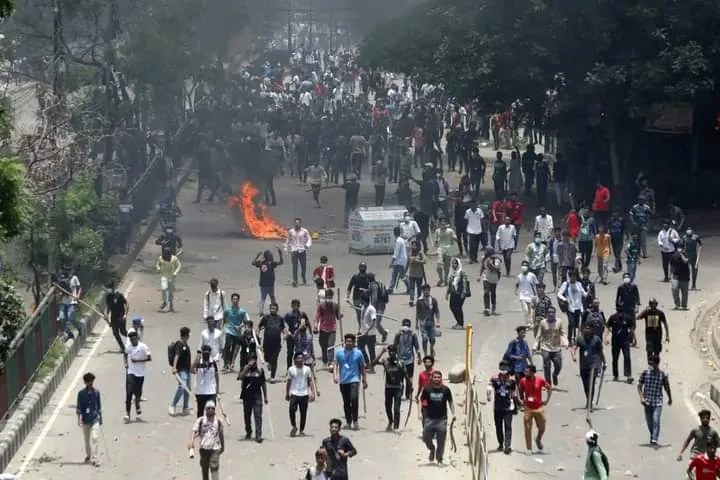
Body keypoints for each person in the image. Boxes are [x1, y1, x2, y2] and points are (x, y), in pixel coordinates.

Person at [420, 370, 455, 465]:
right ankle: (432, 449)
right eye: (434, 377)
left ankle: (439, 459)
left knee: (441, 441)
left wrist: (454, 413)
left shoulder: (446, 390)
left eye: (438, 377)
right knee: (426, 437)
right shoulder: (427, 389)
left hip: (442, 419)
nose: (436, 379)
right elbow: (422, 400)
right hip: (429, 418)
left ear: (441, 378)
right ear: (432, 378)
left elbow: (450, 402)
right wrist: (421, 412)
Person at [373, 345, 411, 431]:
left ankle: (396, 426)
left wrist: (410, 386)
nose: (392, 353)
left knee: (396, 408)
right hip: (388, 387)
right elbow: (373, 363)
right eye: (390, 351)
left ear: (396, 352)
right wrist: (382, 352)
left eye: (393, 351)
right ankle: (390, 421)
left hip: (398, 388)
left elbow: (406, 375)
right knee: (388, 406)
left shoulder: (401, 362)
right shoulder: (385, 361)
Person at [637, 354, 672, 448]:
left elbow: (667, 387)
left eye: (653, 364)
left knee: (656, 420)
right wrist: (641, 397)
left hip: (657, 402)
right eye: (650, 363)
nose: (651, 366)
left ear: (657, 364)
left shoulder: (662, 375)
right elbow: (639, 385)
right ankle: (653, 435)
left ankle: (654, 440)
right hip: (647, 402)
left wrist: (670, 398)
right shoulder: (645, 373)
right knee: (650, 422)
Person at [334, 334, 367, 430]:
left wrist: (364, 380)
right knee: (346, 402)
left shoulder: (358, 353)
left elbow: (362, 367)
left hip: (354, 380)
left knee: (354, 399)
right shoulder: (339, 353)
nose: (348, 343)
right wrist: (335, 376)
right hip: (343, 381)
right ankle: (348, 422)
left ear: (354, 343)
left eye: (350, 341)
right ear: (344, 342)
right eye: (347, 341)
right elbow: (335, 364)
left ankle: (355, 421)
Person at [187, 401, 225, 480]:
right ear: (205, 409)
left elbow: (221, 435)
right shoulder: (201, 420)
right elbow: (194, 430)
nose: (210, 410)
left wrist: (223, 446)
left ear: (215, 410)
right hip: (204, 449)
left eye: (212, 408)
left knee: (214, 468)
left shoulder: (218, 421)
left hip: (215, 448)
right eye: (208, 408)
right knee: (204, 468)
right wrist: (191, 441)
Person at [518, 365, 551, 453]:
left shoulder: (539, 380)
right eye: (525, 372)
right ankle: (529, 448)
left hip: (539, 408)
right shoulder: (523, 381)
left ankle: (538, 439)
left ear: (533, 373)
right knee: (528, 429)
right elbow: (520, 390)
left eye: (527, 372)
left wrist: (547, 400)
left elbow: (549, 387)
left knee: (542, 427)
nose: (525, 374)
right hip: (528, 408)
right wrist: (520, 400)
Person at [572, 322, 605, 410]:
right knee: (586, 385)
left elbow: (601, 352)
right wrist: (574, 355)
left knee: (591, 384)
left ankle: (590, 402)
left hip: (594, 365)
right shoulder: (580, 339)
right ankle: (588, 399)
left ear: (592, 330)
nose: (587, 330)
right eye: (585, 328)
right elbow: (574, 348)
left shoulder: (597, 339)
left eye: (588, 328)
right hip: (583, 365)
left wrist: (604, 362)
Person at [487, 360, 517, 454]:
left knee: (508, 426)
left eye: (505, 367)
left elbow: (514, 392)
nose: (504, 370)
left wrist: (516, 405)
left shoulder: (512, 380)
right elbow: (489, 386)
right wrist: (488, 394)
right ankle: (500, 443)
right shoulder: (495, 378)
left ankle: (507, 446)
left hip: (508, 407)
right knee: (498, 426)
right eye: (502, 367)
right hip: (498, 407)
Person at [238, 352, 269, 442]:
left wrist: (266, 396)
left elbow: (263, 383)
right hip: (247, 396)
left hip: (257, 395)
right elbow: (240, 377)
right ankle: (248, 431)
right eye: (250, 360)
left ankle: (258, 435)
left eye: (254, 360)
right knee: (247, 415)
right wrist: (247, 367)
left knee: (258, 415)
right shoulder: (244, 369)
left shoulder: (260, 370)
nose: (252, 362)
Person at [123, 328, 151, 422]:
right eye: (131, 340)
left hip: (140, 374)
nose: (132, 341)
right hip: (131, 372)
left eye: (134, 339)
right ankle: (127, 414)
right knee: (129, 393)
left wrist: (138, 361)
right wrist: (126, 363)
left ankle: (137, 404)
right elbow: (125, 354)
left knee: (138, 393)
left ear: (137, 338)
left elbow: (149, 358)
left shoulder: (143, 347)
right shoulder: (129, 347)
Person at [287, 352, 317, 437]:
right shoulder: (291, 369)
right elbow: (289, 382)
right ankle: (294, 426)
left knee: (303, 413)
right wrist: (287, 393)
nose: (300, 359)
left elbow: (310, 381)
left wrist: (313, 392)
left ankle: (301, 430)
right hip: (294, 393)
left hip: (304, 393)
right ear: (295, 359)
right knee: (292, 410)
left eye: (301, 358)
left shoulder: (307, 369)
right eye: (298, 358)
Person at [533, 306, 566, 386]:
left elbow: (563, 333)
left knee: (558, 365)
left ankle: (555, 375)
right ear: (547, 314)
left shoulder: (559, 322)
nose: (551, 314)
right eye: (549, 312)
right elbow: (538, 335)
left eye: (552, 312)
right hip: (545, 347)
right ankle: (548, 383)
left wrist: (565, 341)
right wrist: (535, 346)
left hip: (556, 348)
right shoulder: (543, 322)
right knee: (547, 366)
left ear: (555, 313)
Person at [76, 372, 102, 466]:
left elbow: (99, 406)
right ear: (85, 382)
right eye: (88, 382)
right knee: (86, 440)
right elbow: (79, 407)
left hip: (94, 418)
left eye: (91, 382)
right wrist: (79, 419)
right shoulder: (81, 394)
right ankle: (88, 455)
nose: (90, 384)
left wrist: (100, 418)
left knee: (95, 437)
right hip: (85, 419)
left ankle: (95, 458)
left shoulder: (96, 392)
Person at [604, 306, 634, 383]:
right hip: (615, 341)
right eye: (618, 311)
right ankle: (615, 375)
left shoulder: (627, 318)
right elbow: (607, 326)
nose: (620, 313)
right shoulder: (613, 317)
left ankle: (628, 375)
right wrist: (606, 337)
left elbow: (631, 328)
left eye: (621, 312)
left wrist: (633, 338)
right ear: (617, 311)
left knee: (627, 357)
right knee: (615, 358)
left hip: (625, 341)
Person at [394, 318, 421, 400]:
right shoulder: (398, 334)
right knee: (400, 378)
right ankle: (400, 394)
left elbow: (417, 347)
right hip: (400, 359)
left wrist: (419, 358)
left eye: (407, 325)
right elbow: (394, 346)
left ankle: (408, 394)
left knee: (409, 378)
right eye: (404, 325)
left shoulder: (413, 335)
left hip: (410, 359)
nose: (406, 327)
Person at [252, 248, 284, 316]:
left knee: (263, 297)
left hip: (263, 284)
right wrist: (280, 254)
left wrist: (257, 256)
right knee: (272, 297)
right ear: (268, 256)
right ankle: (275, 309)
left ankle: (261, 311)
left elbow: (253, 263)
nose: (272, 256)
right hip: (270, 284)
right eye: (271, 255)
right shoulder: (271, 263)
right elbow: (281, 262)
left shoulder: (261, 263)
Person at [636, 298, 669, 362]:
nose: (652, 306)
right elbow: (637, 317)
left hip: (658, 335)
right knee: (649, 350)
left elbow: (665, 324)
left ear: (656, 305)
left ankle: (656, 365)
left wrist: (667, 335)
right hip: (649, 335)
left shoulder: (660, 313)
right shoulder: (647, 312)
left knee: (657, 351)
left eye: (654, 304)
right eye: (651, 304)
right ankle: (650, 364)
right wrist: (644, 310)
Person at [258, 303, 285, 380]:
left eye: (275, 309)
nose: (273, 310)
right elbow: (259, 326)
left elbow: (283, 328)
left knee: (275, 359)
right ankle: (269, 363)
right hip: (267, 342)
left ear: (277, 309)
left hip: (277, 343)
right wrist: (258, 335)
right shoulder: (266, 318)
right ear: (270, 309)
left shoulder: (280, 318)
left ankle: (272, 377)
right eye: (272, 308)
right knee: (267, 358)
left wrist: (285, 334)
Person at [170, 326, 192, 416]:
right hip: (182, 370)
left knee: (188, 389)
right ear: (186, 335)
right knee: (182, 387)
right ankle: (173, 405)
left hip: (187, 370)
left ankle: (185, 408)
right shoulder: (180, 344)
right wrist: (174, 367)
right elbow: (177, 355)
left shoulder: (185, 345)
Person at [315, 290, 341, 368]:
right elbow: (317, 316)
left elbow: (338, 317)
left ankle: (330, 362)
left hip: (332, 328)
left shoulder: (335, 305)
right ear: (325, 296)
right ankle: (325, 360)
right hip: (323, 328)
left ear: (332, 297)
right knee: (323, 345)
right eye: (327, 296)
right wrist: (315, 326)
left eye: (330, 296)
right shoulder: (321, 305)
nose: (329, 298)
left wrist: (340, 314)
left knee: (330, 345)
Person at [222, 293, 247, 372]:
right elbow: (224, 318)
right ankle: (225, 364)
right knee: (227, 346)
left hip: (237, 332)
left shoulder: (242, 311)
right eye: (233, 299)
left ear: (238, 300)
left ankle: (230, 363)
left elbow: (245, 322)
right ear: (231, 300)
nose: (235, 301)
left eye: (236, 299)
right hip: (229, 330)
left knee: (234, 349)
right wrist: (223, 327)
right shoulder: (227, 310)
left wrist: (240, 326)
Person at [193, 344, 219, 418]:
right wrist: (195, 362)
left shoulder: (213, 363)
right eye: (204, 353)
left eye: (207, 353)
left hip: (211, 392)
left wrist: (217, 390)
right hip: (200, 392)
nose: (206, 355)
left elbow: (216, 376)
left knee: (211, 411)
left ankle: (211, 427)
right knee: (200, 413)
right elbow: (191, 370)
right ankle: (200, 428)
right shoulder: (198, 363)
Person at [286, 217, 312, 287]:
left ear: (300, 223)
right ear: (294, 223)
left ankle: (303, 279)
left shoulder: (304, 231)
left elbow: (309, 239)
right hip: (294, 250)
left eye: (298, 223)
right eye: (296, 223)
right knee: (295, 266)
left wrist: (307, 245)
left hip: (302, 250)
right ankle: (295, 281)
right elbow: (288, 240)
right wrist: (287, 249)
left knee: (303, 266)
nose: (297, 224)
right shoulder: (291, 231)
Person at [416, 284, 440, 358]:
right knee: (424, 338)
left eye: (427, 290)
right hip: (423, 323)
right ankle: (425, 353)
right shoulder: (419, 301)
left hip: (431, 322)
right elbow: (417, 313)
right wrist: (416, 323)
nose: (426, 292)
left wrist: (438, 321)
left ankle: (432, 348)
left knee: (432, 339)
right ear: (422, 291)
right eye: (424, 290)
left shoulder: (433, 300)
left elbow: (437, 311)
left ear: (429, 291)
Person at [446, 257, 470, 329]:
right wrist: (447, 293)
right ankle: (458, 322)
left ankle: (461, 323)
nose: (454, 265)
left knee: (458, 308)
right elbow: (450, 284)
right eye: (453, 263)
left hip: (460, 293)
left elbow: (465, 283)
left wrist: (464, 293)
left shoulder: (462, 272)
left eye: (455, 263)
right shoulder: (451, 273)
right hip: (453, 293)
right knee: (452, 307)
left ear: (458, 264)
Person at [105, 281, 129, 352]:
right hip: (113, 318)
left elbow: (126, 304)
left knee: (123, 332)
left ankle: (134, 338)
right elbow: (108, 307)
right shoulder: (108, 297)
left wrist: (125, 314)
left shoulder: (119, 295)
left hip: (121, 317)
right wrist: (106, 315)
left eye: (108, 288)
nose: (107, 290)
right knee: (115, 333)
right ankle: (122, 347)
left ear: (112, 288)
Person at [156, 246, 181, 312]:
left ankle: (171, 304)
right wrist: (158, 268)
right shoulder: (161, 258)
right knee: (164, 289)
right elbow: (158, 264)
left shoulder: (174, 259)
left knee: (170, 291)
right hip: (164, 276)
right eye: (165, 254)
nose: (166, 256)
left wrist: (175, 273)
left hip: (171, 277)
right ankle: (165, 302)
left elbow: (179, 266)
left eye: (167, 254)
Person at [480, 246, 503, 315]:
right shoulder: (484, 258)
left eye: (486, 251)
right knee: (486, 292)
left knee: (493, 293)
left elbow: (497, 269)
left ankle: (493, 306)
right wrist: (480, 275)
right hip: (485, 277)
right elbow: (482, 267)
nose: (485, 252)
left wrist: (490, 264)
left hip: (493, 278)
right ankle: (487, 308)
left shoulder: (496, 260)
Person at [670, 241, 691, 310]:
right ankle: (677, 304)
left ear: (683, 248)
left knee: (685, 293)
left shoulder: (686, 254)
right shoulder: (674, 255)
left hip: (685, 277)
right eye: (679, 247)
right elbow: (672, 265)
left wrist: (681, 254)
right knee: (674, 289)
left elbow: (686, 261)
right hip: (676, 276)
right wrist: (671, 275)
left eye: (681, 247)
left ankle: (684, 305)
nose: (680, 249)